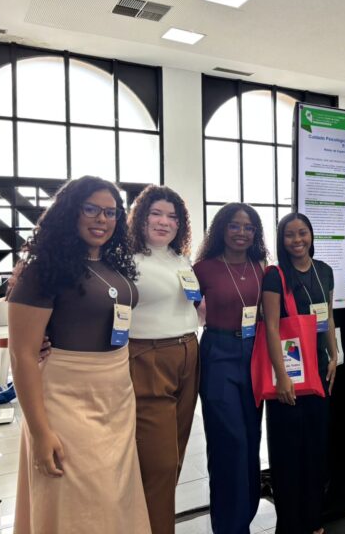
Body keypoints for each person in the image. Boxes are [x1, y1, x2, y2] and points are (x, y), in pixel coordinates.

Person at [8, 176, 150, 533]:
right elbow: (22, 355)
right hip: (66, 398)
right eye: (91, 209)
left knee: (114, 497)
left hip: (116, 397)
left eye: (110, 213)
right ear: (70, 211)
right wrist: (40, 432)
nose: (102, 219)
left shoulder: (114, 265)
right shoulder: (42, 270)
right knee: (75, 499)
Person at [127, 185, 200, 534]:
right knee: (159, 461)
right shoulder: (126, 259)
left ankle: (151, 523)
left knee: (176, 453)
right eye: (155, 213)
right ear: (140, 217)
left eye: (172, 216)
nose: (163, 222)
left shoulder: (179, 258)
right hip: (148, 357)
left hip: (188, 353)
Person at [193, 203, 268, 533]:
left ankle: (245, 514)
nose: (242, 233)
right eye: (235, 226)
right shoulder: (203, 269)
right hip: (218, 354)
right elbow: (178, 309)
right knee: (229, 441)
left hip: (256, 353)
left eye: (249, 227)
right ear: (221, 229)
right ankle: (230, 526)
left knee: (251, 437)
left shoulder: (261, 267)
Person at [261, 213, 337, 534]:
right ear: (282, 240)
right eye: (290, 235)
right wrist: (282, 376)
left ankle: (313, 519)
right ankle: (290, 525)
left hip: (317, 369)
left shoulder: (324, 271)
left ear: (311, 235)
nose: (297, 240)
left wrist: (334, 354)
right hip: (289, 372)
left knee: (315, 449)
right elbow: (271, 327)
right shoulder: (275, 275)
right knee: (288, 452)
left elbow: (327, 316)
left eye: (302, 233)